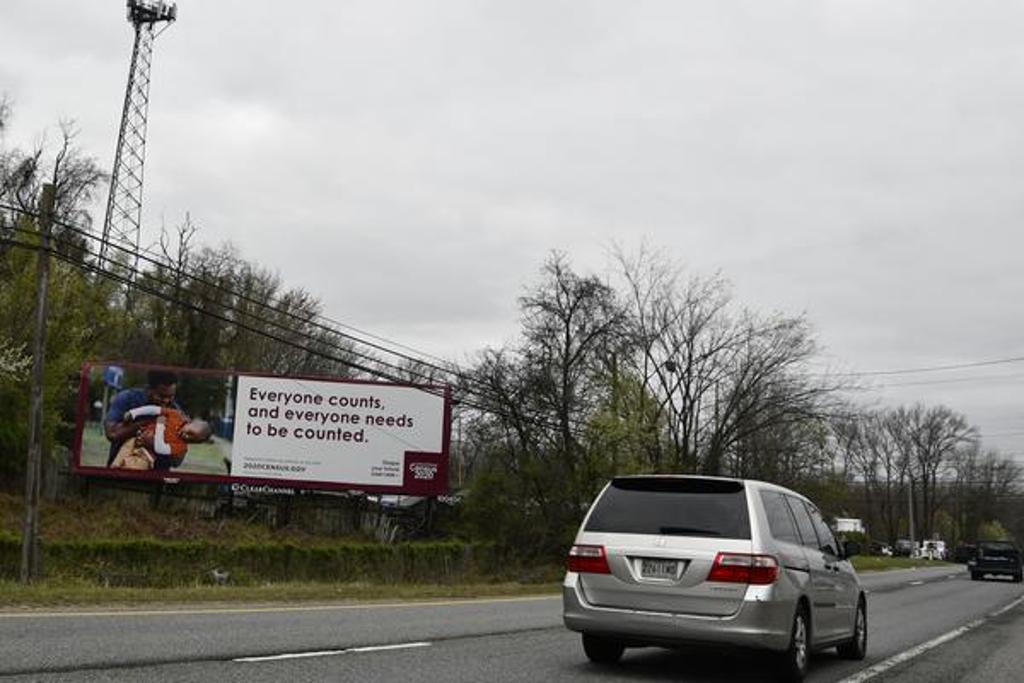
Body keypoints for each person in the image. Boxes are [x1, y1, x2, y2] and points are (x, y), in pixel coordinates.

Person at [105, 369, 189, 471]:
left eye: (171, 396)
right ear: (148, 389)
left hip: (155, 477)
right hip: (119, 470)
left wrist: (155, 444)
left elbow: (177, 460)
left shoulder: (176, 412)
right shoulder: (127, 398)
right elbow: (112, 433)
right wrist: (147, 423)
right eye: (161, 396)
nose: (166, 401)